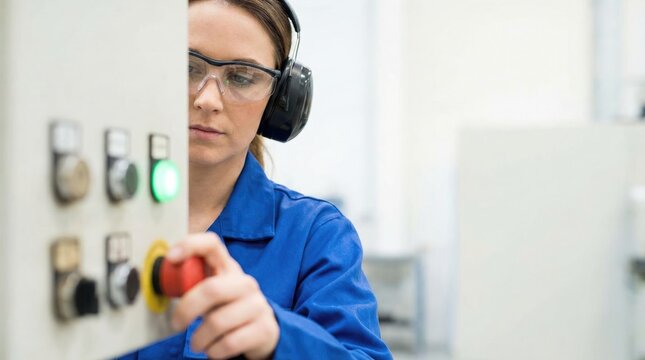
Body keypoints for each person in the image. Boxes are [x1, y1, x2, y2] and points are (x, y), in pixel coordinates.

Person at [119, 0, 392, 358]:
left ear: (281, 102)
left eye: (242, 77)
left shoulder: (315, 234)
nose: (207, 99)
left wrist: (279, 340)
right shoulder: (80, 217)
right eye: (187, 67)